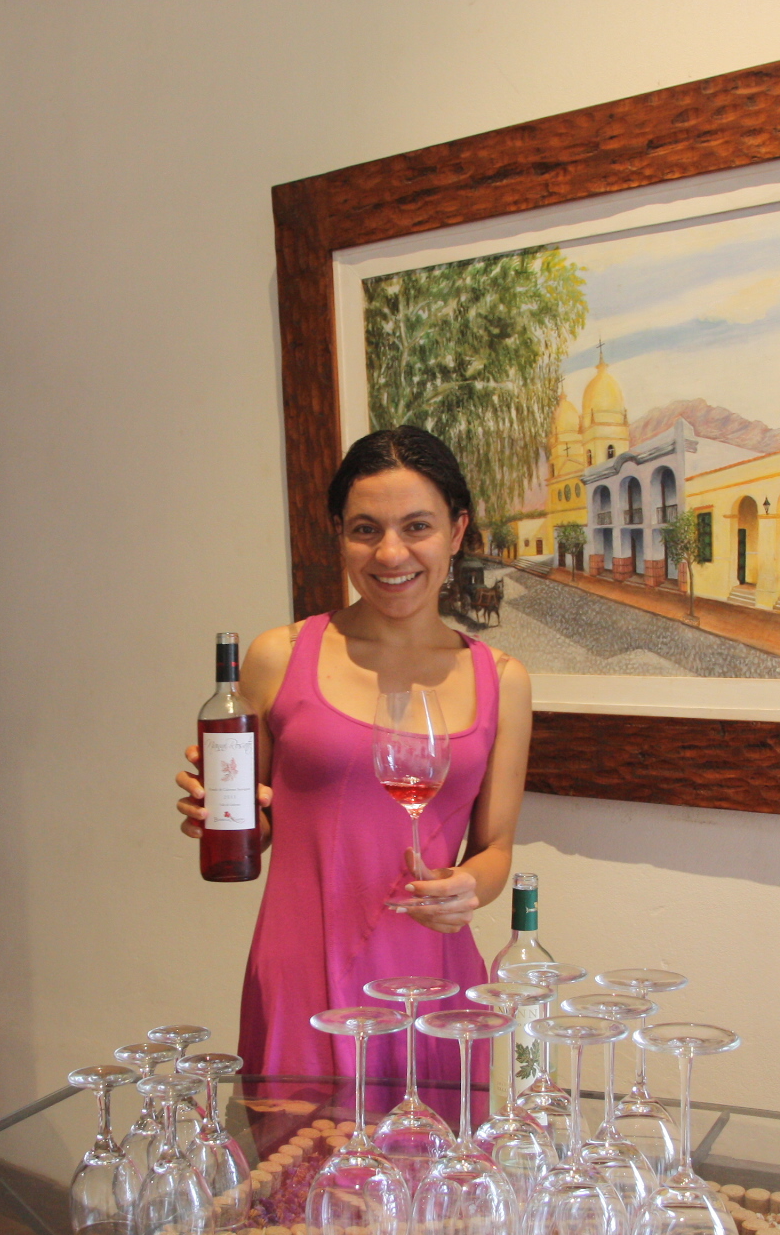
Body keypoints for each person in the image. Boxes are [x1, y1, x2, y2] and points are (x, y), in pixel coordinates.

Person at [175, 426, 533, 1096]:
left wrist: (469, 887)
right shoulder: (279, 656)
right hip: (302, 971)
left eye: (417, 526)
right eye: (365, 529)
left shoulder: (502, 679)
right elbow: (254, 822)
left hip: (435, 980)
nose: (391, 553)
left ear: (457, 531)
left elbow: (495, 850)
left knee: (440, 1162)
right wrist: (219, 814)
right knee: (297, 1161)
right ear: (339, 535)